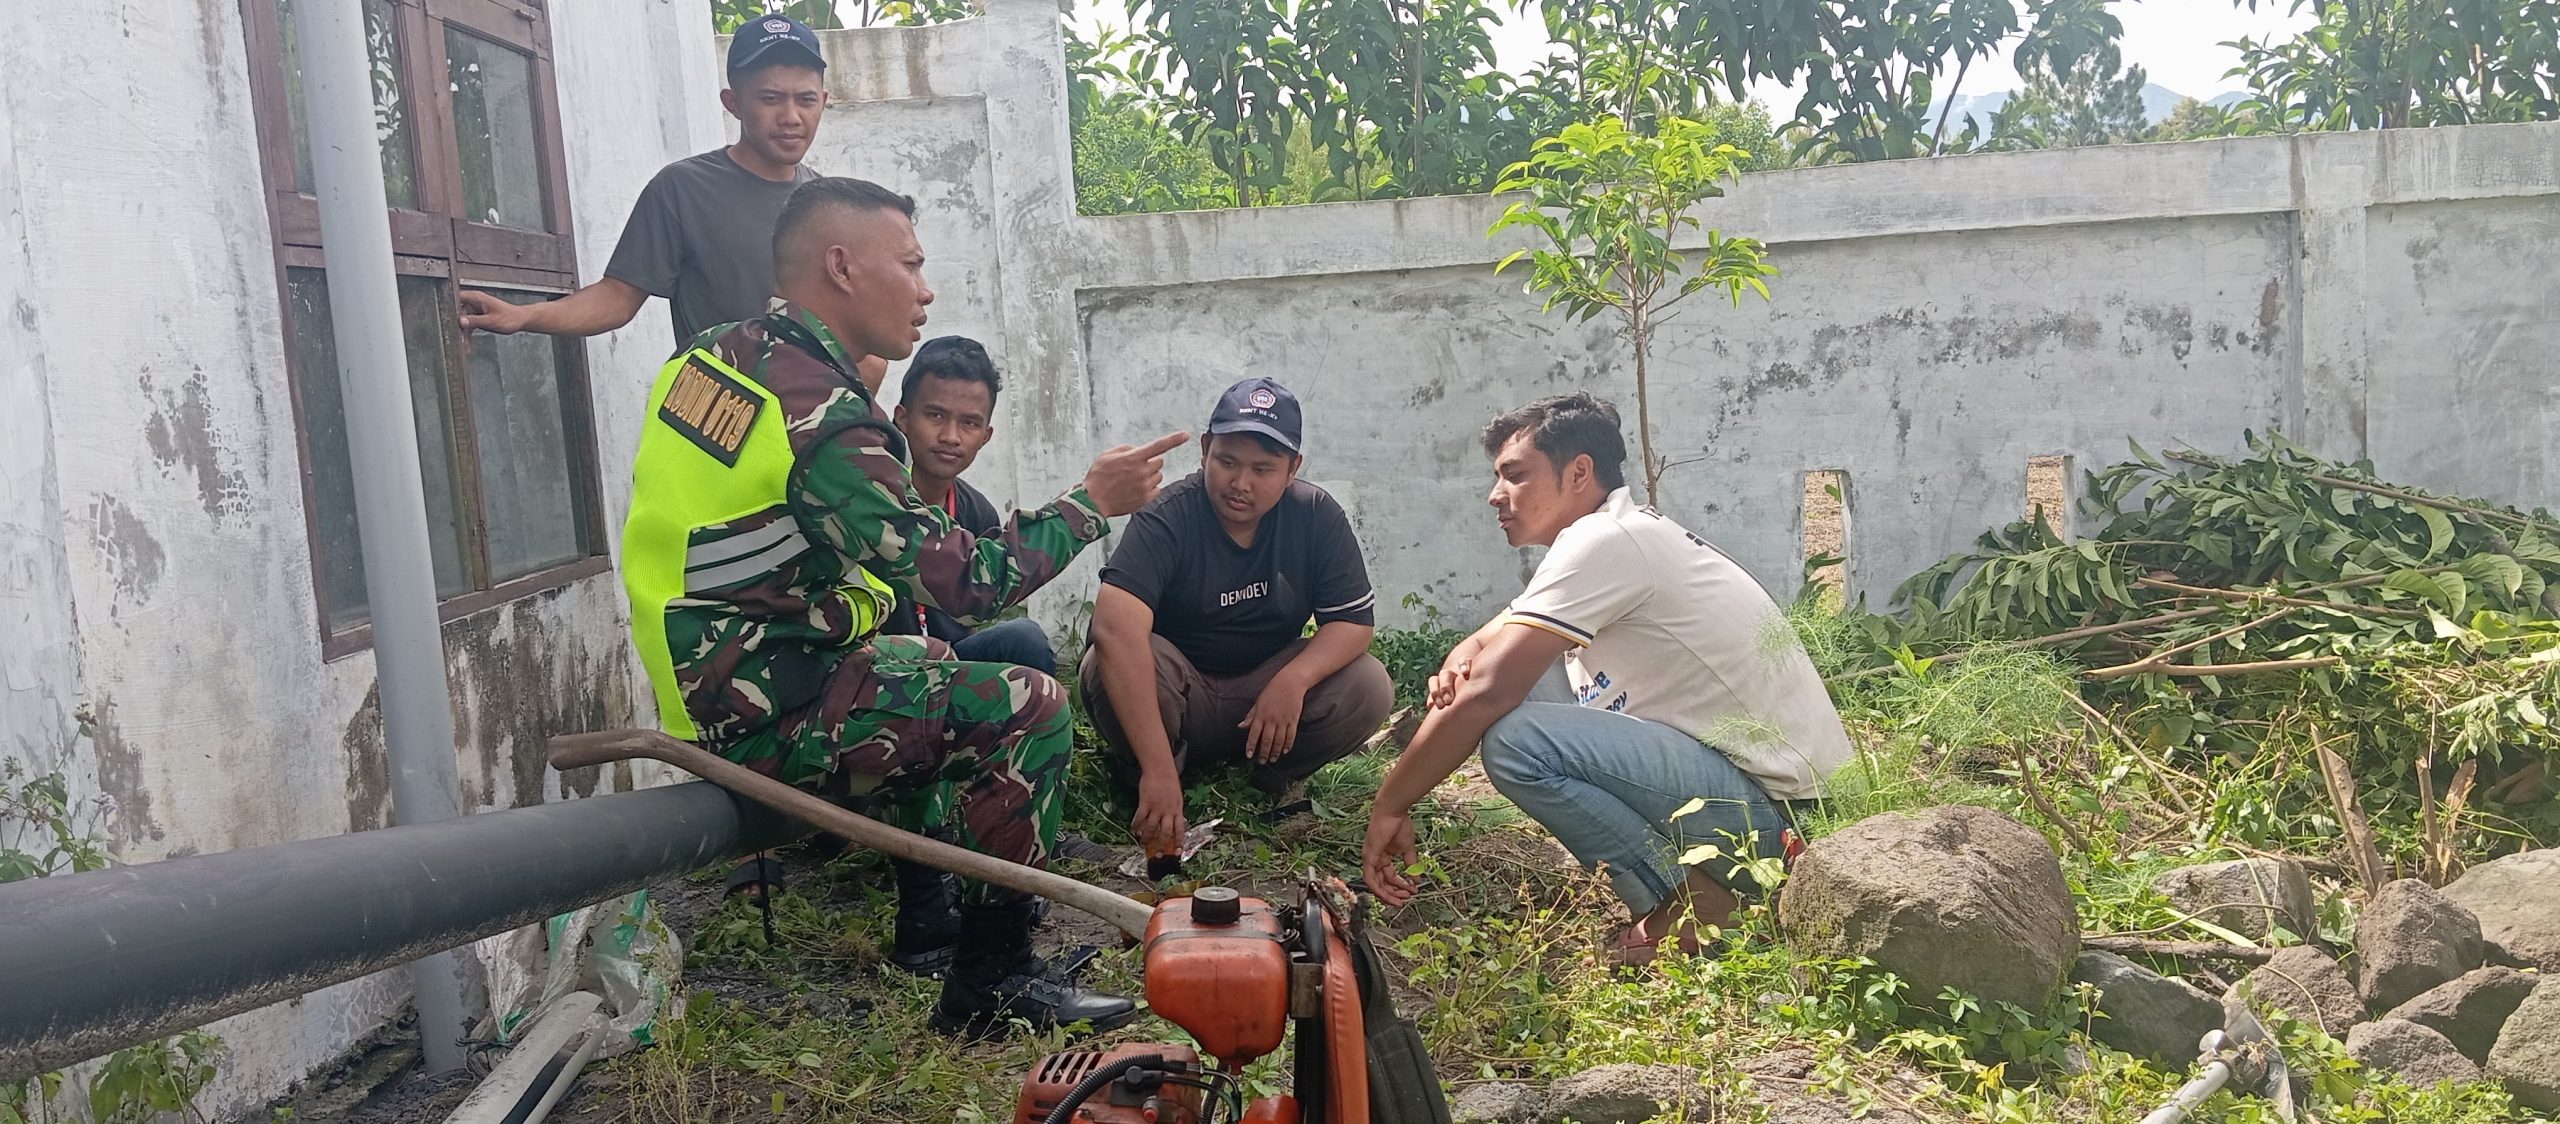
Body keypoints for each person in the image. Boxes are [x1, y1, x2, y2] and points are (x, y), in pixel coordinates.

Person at [619, 176, 1187, 1035]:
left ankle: (935, 923)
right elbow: (966, 581)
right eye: (912, 264)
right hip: (761, 705)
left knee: (930, 667)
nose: (926, 291)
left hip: (717, 671)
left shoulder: (715, 358)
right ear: (842, 266)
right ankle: (991, 986)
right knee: (1028, 704)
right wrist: (1090, 503)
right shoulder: (824, 415)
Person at [1358, 393, 1852, 966]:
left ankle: (1698, 901)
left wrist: (1390, 805)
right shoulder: (1616, 530)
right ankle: (1698, 886)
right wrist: (1467, 647)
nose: (1496, 495)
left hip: (1780, 821)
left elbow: (1488, 689)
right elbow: (1510, 626)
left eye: (1514, 476)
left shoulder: (1604, 540)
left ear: (1579, 473)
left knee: (1516, 740)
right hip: (1751, 795)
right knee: (1526, 669)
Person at [1079, 378, 1394, 854]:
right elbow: (1114, 628)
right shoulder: (1167, 516)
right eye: (1227, 461)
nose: (1240, 483)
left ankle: (1273, 776)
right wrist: (1158, 771)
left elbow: (1353, 624)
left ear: (1293, 469)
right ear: (1205, 450)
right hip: (1180, 690)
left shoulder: (1315, 515)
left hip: (1261, 690)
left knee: (1368, 683)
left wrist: (1293, 680)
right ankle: (1154, 776)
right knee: (1111, 660)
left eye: (1263, 468)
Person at [456, 15, 833, 345]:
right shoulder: (683, 190)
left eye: (806, 100)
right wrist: (523, 316)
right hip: (720, 419)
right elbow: (617, 297)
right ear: (732, 103)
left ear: (823, 100)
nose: (791, 116)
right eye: (770, 98)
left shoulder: (829, 205)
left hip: (815, 421)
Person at [883, 335, 1055, 675]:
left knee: (1024, 638)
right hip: (874, 668)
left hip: (947, 664)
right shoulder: (872, 490)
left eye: (969, 423)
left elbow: (974, 617)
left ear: (986, 436)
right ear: (902, 418)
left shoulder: (976, 512)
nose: (951, 436)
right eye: (935, 415)